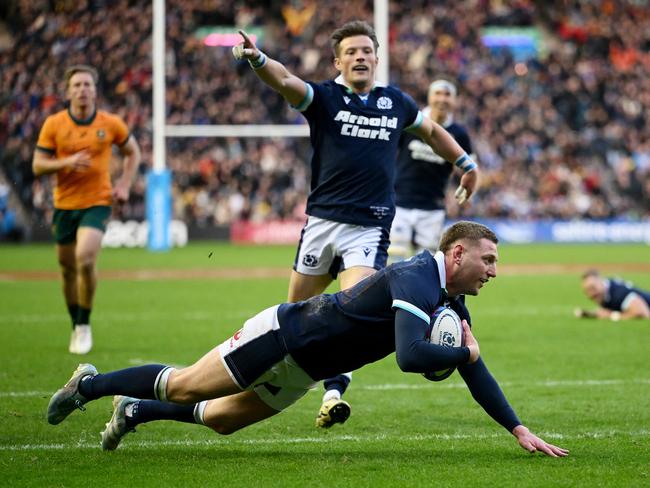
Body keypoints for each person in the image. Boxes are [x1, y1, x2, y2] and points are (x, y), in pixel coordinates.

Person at [47, 221, 569, 458]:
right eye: (489, 260)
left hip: (307, 367)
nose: (493, 272)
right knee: (185, 388)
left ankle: (134, 412)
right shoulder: (415, 277)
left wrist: (518, 428)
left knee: (224, 421)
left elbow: (473, 368)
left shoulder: (450, 298)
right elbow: (412, 357)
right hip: (283, 335)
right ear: (458, 255)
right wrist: (461, 351)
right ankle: (88, 386)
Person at [232, 20, 479, 428]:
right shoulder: (325, 98)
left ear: (377, 59)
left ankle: (333, 394)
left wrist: (466, 164)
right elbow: (286, 81)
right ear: (337, 61)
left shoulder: (395, 103)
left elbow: (433, 131)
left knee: (353, 317)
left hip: (368, 228)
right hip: (322, 224)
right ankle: (253, 375)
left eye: (366, 51)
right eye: (351, 52)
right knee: (293, 314)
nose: (360, 57)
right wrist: (258, 59)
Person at [32, 65, 141, 354]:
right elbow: (38, 165)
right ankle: (76, 323)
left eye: (87, 84)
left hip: (98, 201)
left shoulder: (110, 123)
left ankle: (84, 324)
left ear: (95, 90)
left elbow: (133, 152)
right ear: (68, 92)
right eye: (77, 85)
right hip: (64, 205)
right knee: (67, 269)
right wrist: (64, 163)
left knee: (85, 257)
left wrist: (124, 186)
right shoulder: (54, 124)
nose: (82, 89)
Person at [390, 78, 478, 261]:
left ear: (455, 100)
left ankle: (420, 291)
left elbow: (472, 169)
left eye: (447, 95)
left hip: (433, 207)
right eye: (438, 93)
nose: (442, 99)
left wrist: (469, 193)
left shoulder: (459, 133)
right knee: (394, 259)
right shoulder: (412, 123)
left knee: (427, 262)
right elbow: (388, 153)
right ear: (429, 97)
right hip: (399, 202)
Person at [575, 269, 650, 321]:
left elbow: (642, 313)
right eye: (586, 291)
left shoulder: (619, 294)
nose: (591, 294)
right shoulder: (608, 291)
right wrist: (591, 315)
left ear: (601, 281)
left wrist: (612, 316)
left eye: (593, 288)